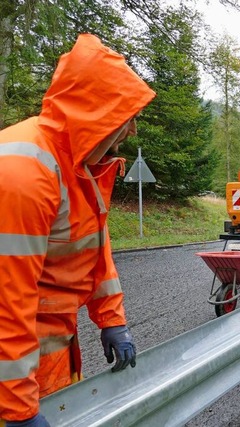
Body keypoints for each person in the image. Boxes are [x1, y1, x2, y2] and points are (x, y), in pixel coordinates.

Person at [0, 34, 156, 427]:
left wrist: (112, 320)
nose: (132, 130)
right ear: (94, 112)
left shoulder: (77, 167)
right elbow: (7, 299)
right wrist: (17, 411)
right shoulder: (26, 172)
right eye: (125, 117)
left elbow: (92, 252)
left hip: (46, 363)